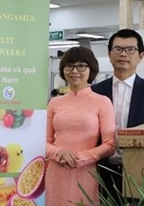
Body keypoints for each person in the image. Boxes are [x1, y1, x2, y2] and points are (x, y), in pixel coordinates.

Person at [91, 28, 144, 200]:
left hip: (140, 173)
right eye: (117, 49)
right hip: (102, 171)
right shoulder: (96, 91)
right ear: (109, 54)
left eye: (130, 49)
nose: (123, 54)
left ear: (141, 55)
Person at [45, 46, 115, 205]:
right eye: (69, 65)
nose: (74, 70)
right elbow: (45, 141)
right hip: (56, 171)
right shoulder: (54, 103)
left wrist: (81, 158)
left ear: (91, 69)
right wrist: (59, 153)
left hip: (86, 171)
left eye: (81, 65)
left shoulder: (102, 102)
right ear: (63, 70)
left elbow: (110, 144)